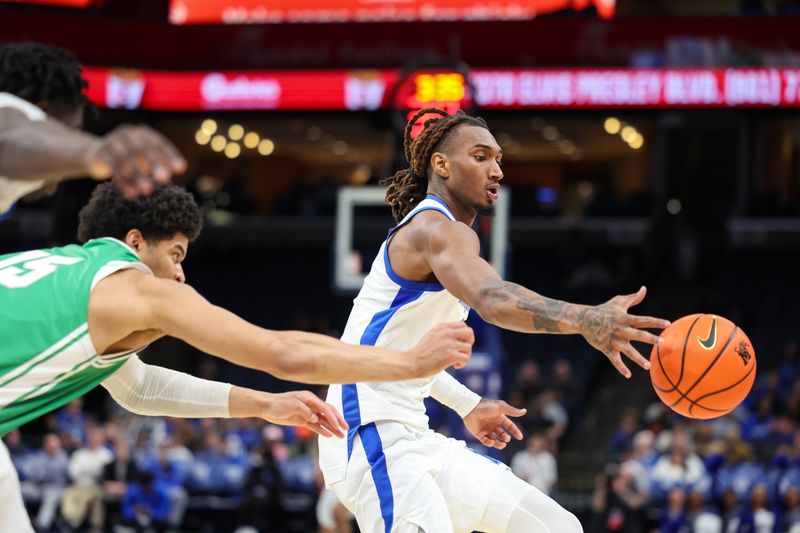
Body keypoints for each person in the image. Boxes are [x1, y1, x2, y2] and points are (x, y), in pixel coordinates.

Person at [0, 182, 473, 532]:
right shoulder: (137, 287)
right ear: (136, 241)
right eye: (178, 254)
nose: (181, 276)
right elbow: (284, 353)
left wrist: (264, 405)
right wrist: (410, 363)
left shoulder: (64, 273)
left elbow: (139, 388)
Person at [319, 107, 671, 533]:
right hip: (368, 431)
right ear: (441, 164)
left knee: (557, 527)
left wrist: (468, 404)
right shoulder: (436, 228)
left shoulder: (448, 238)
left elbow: (401, 358)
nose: (498, 171)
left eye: (499, 159)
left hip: (412, 434)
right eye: (481, 157)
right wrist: (587, 319)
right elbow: (492, 299)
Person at [0, 41, 187, 216]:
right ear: (39, 112)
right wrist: (92, 151)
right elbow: (11, 134)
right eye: (69, 132)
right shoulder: (11, 123)